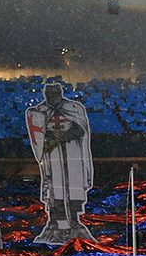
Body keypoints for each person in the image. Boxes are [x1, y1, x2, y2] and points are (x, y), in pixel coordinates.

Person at [25, 83, 95, 244]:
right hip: (52, 153)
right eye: (50, 94)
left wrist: (63, 136)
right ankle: (58, 219)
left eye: (55, 93)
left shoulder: (73, 108)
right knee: (55, 184)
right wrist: (50, 137)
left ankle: (74, 219)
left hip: (72, 151)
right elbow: (38, 135)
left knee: (74, 184)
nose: (53, 97)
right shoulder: (40, 111)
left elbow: (81, 129)